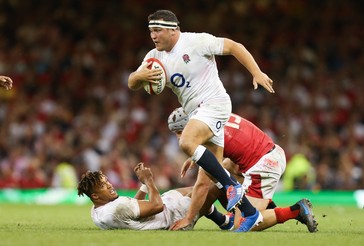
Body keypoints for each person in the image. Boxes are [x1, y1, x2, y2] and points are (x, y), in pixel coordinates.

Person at [127, 9, 274, 232]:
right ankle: (249, 213)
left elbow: (235, 46)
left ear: (173, 29)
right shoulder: (153, 58)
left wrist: (256, 72)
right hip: (197, 113)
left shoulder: (196, 41)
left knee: (186, 142)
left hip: (214, 104)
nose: (153, 36)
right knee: (204, 181)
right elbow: (131, 83)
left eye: (157, 30)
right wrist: (139, 76)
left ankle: (232, 186)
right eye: (151, 32)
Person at [168, 107, 318, 232]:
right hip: (265, 154)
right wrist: (194, 157)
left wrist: (187, 218)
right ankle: (228, 215)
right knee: (218, 175)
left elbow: (202, 185)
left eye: (179, 132)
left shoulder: (209, 135)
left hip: (264, 165)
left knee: (242, 223)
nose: (179, 138)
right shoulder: (212, 116)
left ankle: (296, 210)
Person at [77, 162, 235, 230]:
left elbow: (133, 209)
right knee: (216, 181)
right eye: (104, 186)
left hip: (167, 205)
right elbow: (157, 206)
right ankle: (242, 216)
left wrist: (144, 185)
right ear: (95, 196)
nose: (110, 185)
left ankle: (224, 221)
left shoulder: (97, 210)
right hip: (173, 216)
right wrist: (149, 179)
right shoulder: (116, 209)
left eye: (107, 181)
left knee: (197, 189)